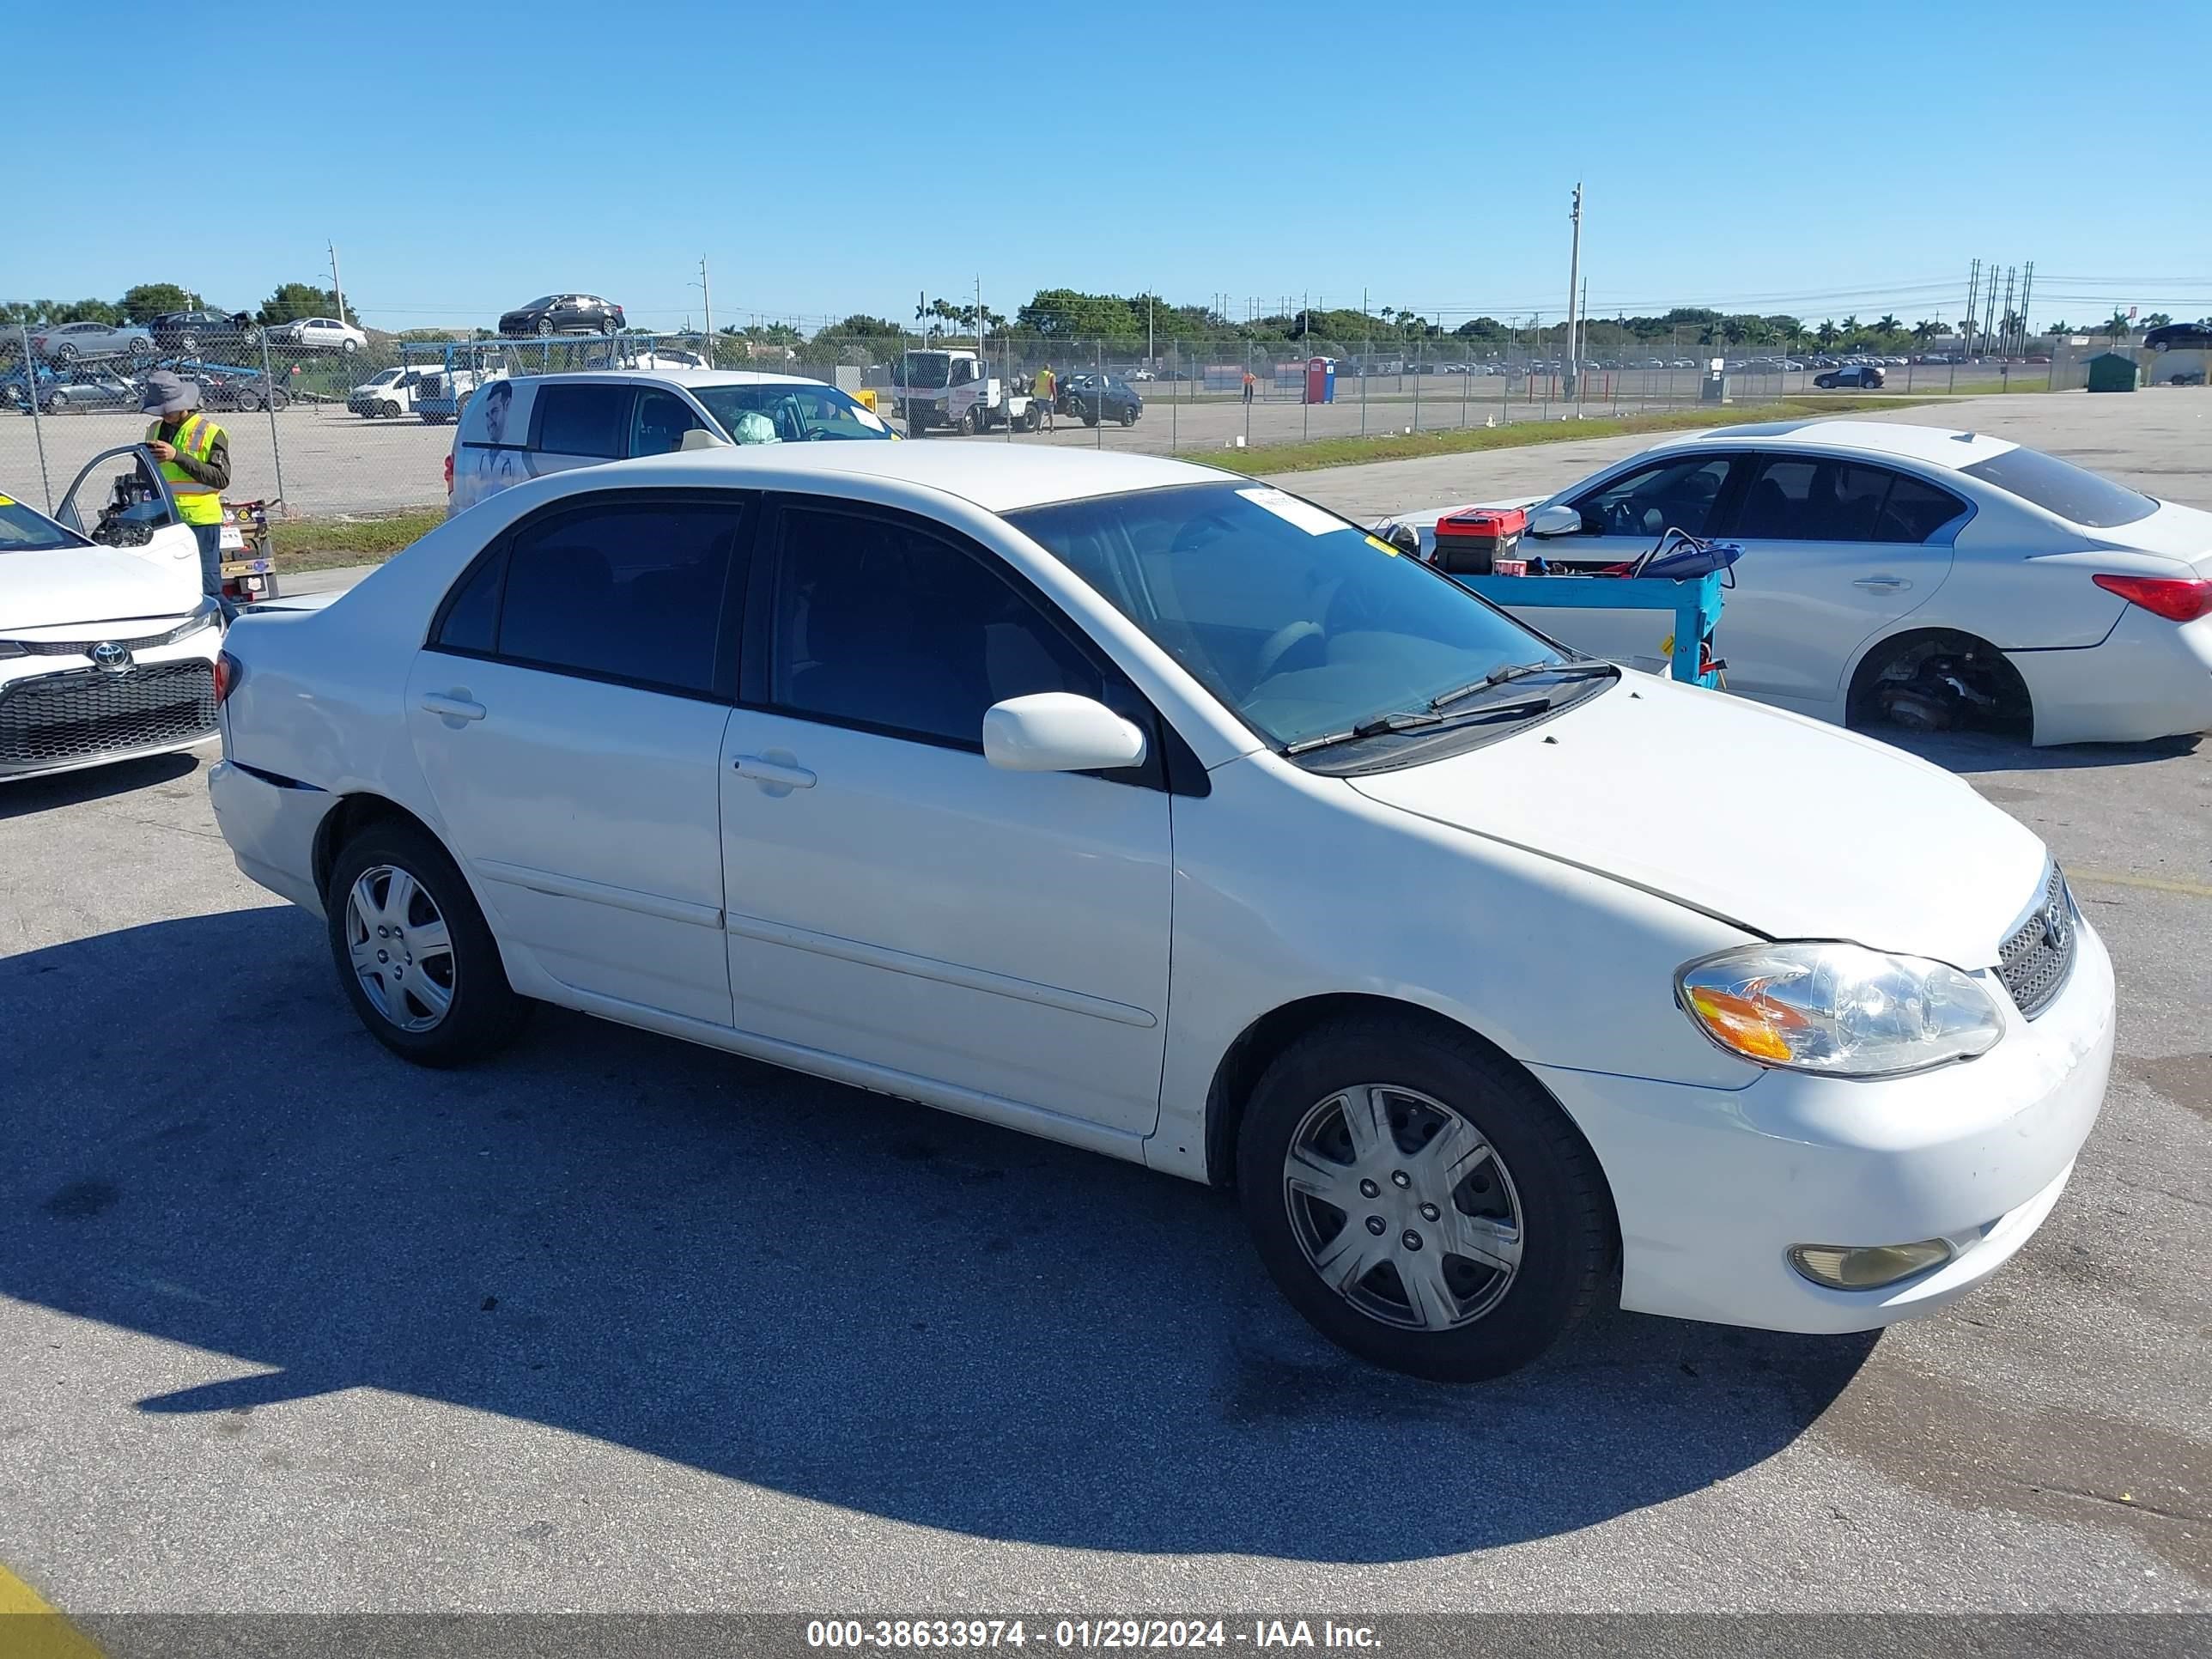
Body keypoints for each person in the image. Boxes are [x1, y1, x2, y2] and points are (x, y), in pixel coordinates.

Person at [139, 371, 231, 616]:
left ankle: (239, 631)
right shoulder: (154, 430)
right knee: (176, 587)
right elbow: (145, 476)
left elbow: (221, 478)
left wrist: (177, 457)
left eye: (167, 410)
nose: (164, 416)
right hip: (165, 520)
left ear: (184, 405)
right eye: (160, 411)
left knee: (209, 589)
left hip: (200, 520)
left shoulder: (211, 432)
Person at [1034, 362, 1056, 432]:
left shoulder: (1039, 375)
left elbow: (1035, 384)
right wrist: (1055, 397)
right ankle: (1051, 428)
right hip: (1048, 397)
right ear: (1049, 368)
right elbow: (1053, 387)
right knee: (1051, 414)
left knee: (1041, 413)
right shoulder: (1051, 375)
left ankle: (1040, 428)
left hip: (1039, 396)